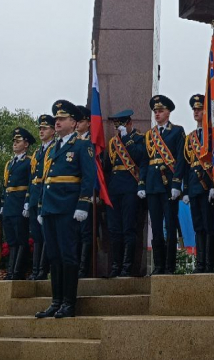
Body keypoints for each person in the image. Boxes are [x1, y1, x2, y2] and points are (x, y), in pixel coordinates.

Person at [35, 100, 96, 319]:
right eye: (56, 119)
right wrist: (41, 207)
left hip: (68, 208)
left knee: (69, 256)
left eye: (62, 119)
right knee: (54, 256)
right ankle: (56, 301)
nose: (57, 122)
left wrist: (83, 203)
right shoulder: (52, 148)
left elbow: (89, 177)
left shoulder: (82, 146)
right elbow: (46, 180)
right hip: (50, 208)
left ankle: (69, 303)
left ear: (74, 122)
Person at [138, 95, 186, 275]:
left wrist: (177, 183)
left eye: (160, 111)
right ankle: (158, 265)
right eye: (155, 111)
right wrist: (141, 184)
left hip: (168, 185)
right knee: (156, 227)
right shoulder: (149, 135)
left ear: (168, 112)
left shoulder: (177, 131)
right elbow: (144, 161)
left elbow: (181, 159)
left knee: (171, 225)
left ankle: (169, 266)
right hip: (152, 185)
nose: (157, 114)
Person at [174, 95, 214, 275]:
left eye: (199, 109)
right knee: (197, 226)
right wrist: (184, 189)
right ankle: (200, 264)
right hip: (193, 187)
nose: (196, 112)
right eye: (194, 110)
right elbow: (183, 164)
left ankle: (209, 265)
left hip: (208, 187)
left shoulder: (212, 135)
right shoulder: (190, 138)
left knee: (208, 226)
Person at [104, 109, 145, 278]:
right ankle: (115, 265)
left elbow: (140, 157)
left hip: (130, 187)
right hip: (114, 189)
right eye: (116, 125)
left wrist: (126, 139)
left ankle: (127, 267)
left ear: (129, 123)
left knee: (129, 228)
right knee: (115, 229)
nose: (117, 128)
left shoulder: (138, 138)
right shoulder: (112, 143)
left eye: (120, 124)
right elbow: (108, 166)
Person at [0, 127, 35, 280]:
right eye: (14, 141)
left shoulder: (29, 162)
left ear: (26, 144)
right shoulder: (9, 164)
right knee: (11, 240)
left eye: (18, 141)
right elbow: (5, 186)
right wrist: (1, 204)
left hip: (20, 204)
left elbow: (30, 183)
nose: (15, 143)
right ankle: (10, 271)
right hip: (9, 205)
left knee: (21, 239)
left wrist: (27, 202)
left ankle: (18, 271)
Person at [23, 114, 55, 280]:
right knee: (36, 236)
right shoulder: (36, 153)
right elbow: (31, 178)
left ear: (53, 131)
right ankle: (35, 271)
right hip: (35, 196)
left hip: (46, 195)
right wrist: (28, 201)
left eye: (45, 128)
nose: (41, 131)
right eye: (40, 129)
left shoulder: (54, 149)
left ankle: (43, 271)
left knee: (45, 235)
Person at [75, 105, 95, 277]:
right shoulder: (71, 142)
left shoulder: (94, 141)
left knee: (86, 233)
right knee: (73, 233)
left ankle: (83, 269)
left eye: (80, 121)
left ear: (88, 123)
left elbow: (93, 171)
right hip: (71, 193)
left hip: (86, 194)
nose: (77, 125)